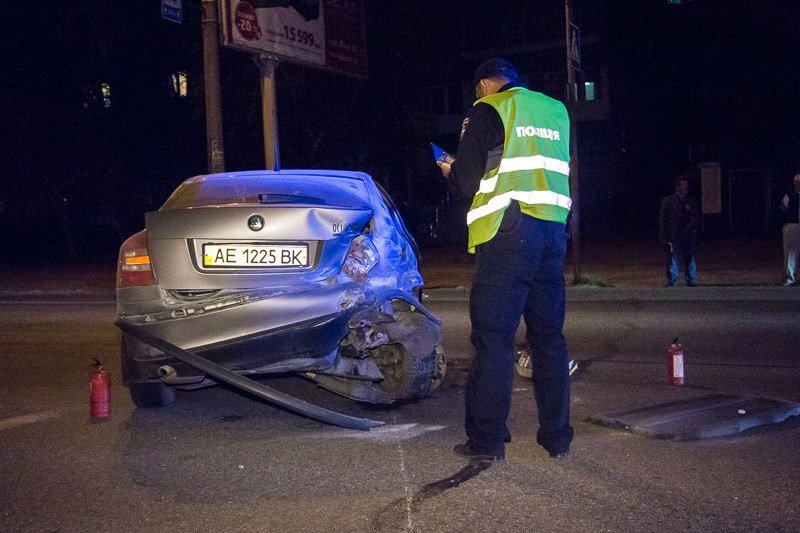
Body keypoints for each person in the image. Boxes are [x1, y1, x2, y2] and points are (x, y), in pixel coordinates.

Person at [437, 58, 573, 460]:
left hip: (508, 230)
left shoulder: (490, 108)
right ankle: (557, 439)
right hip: (552, 230)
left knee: (494, 340)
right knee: (549, 338)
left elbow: (467, 182)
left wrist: (448, 167)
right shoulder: (555, 109)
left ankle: (486, 441)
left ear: (483, 85)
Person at [659, 176, 700, 287]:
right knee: (672, 259)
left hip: (688, 235)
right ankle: (672, 281)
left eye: (686, 185)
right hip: (673, 235)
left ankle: (691, 281)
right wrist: (663, 236)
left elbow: (696, 218)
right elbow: (663, 220)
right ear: (677, 186)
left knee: (690, 258)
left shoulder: (691, 200)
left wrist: (694, 231)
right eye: (683, 184)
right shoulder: (668, 201)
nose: (685, 187)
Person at [779, 172, 800, 286]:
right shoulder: (790, 195)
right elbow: (782, 209)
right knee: (791, 252)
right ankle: (789, 277)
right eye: (797, 182)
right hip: (793, 225)